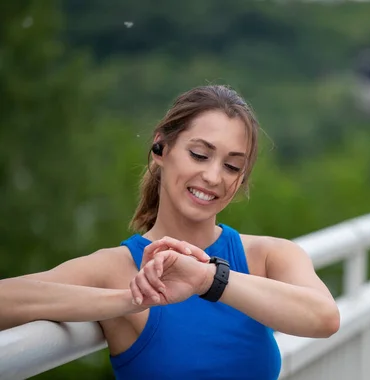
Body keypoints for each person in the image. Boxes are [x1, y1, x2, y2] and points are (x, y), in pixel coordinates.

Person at [0, 85, 340, 379]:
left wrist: (208, 279)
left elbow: (324, 318)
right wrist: (128, 301)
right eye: (199, 154)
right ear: (161, 147)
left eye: (232, 166)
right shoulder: (117, 270)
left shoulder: (268, 256)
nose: (212, 176)